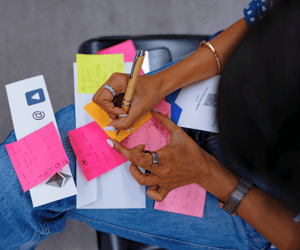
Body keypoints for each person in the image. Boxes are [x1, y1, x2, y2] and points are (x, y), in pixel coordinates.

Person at [1, 0, 299, 249]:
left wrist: (206, 173)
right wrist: (158, 84)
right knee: (18, 180)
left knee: (35, 190)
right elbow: (263, 14)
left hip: (267, 208)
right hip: (229, 81)